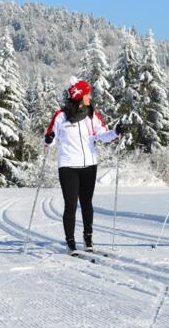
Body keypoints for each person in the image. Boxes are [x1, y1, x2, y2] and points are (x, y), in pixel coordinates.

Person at [44, 77, 127, 254]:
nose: (90, 97)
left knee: (87, 203)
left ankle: (88, 237)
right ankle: (70, 241)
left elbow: (102, 134)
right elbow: (50, 139)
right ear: (79, 96)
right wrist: (49, 139)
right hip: (68, 166)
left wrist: (115, 133)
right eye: (87, 94)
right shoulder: (61, 117)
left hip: (89, 165)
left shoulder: (91, 115)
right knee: (71, 205)